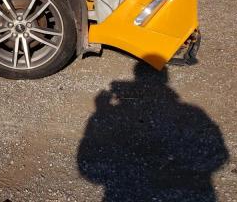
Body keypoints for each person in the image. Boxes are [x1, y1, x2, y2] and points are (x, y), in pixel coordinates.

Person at [77, 61, 228, 201]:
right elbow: (218, 156)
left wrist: (102, 110)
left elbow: (88, 168)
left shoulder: (189, 114)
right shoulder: (193, 113)